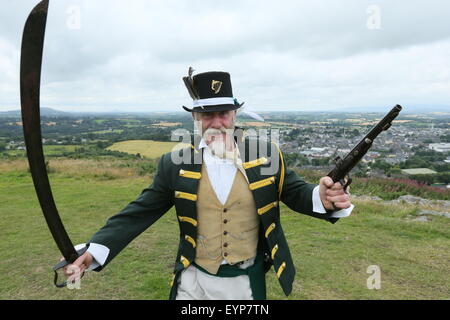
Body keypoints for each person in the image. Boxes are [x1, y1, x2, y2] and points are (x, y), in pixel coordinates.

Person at [62, 69, 353, 300]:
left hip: (244, 283)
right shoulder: (174, 163)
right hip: (193, 278)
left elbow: (297, 194)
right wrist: (94, 250)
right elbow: (140, 211)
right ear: (195, 117)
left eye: (223, 113)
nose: (216, 122)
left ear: (235, 114)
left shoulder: (266, 154)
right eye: (207, 115)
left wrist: (323, 197)